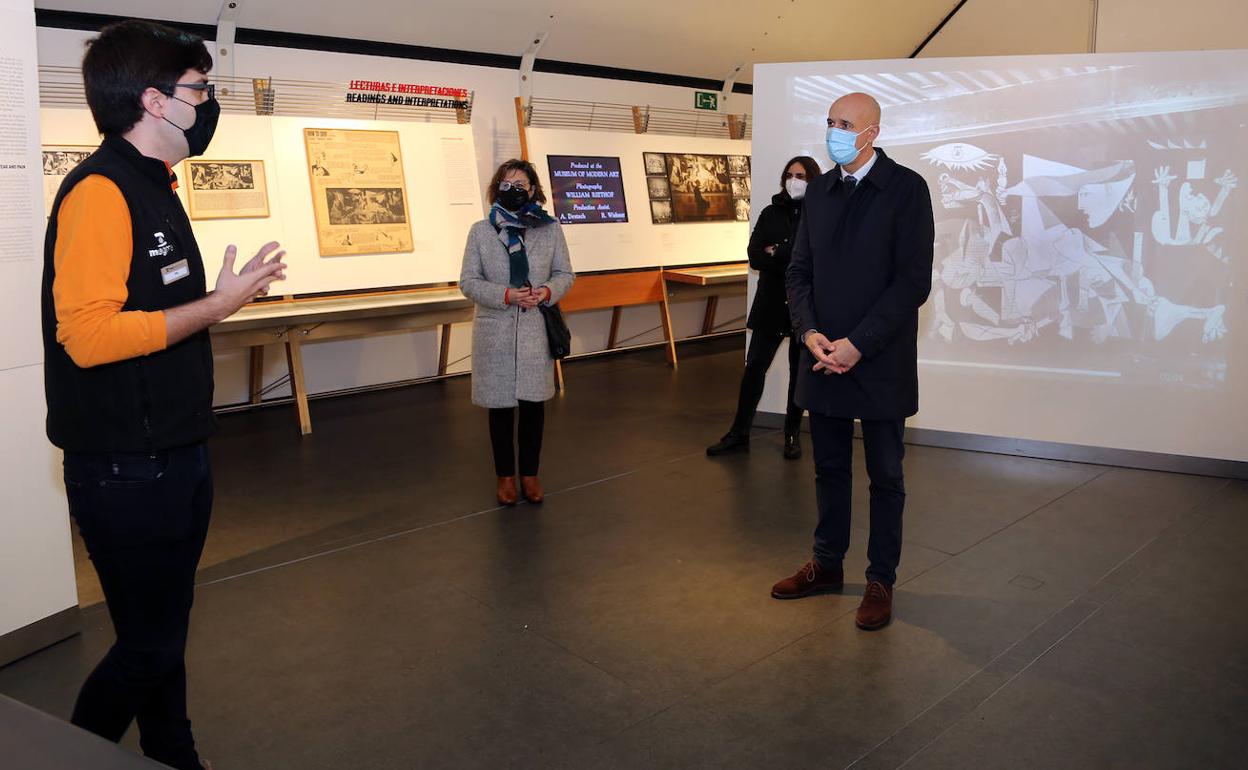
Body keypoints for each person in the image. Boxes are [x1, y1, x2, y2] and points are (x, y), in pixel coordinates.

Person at [40, 20, 286, 770]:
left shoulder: (151, 185)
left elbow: (145, 311)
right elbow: (85, 336)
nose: (208, 103)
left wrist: (211, 300)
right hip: (125, 468)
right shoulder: (100, 194)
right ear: (154, 100)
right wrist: (218, 306)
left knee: (162, 639)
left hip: (171, 453)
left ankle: (172, 756)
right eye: (198, 90)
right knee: (150, 644)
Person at [772, 92, 935, 631]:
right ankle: (826, 564)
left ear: (871, 132)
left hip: (879, 358)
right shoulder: (819, 190)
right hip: (823, 357)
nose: (833, 132)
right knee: (829, 469)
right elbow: (798, 273)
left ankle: (880, 579)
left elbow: (912, 281)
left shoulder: (906, 190)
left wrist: (857, 344)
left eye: (844, 124)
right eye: (829, 122)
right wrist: (811, 332)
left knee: (886, 475)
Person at [460, 160, 575, 506]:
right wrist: (506, 295)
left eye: (521, 184)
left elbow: (565, 274)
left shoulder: (550, 229)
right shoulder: (480, 231)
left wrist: (547, 291)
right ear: (497, 189)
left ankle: (530, 475)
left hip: (533, 332)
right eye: (506, 184)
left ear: (533, 190)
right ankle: (505, 478)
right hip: (495, 333)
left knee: (533, 407)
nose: (513, 190)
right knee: (499, 410)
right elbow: (467, 282)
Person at [707, 155, 823, 460]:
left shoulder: (821, 213)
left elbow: (812, 258)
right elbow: (755, 256)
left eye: (800, 175)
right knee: (754, 368)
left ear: (814, 180)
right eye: (789, 174)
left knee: (799, 373)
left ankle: (792, 434)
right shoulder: (771, 212)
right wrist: (786, 254)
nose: (793, 180)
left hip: (803, 306)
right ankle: (738, 433)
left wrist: (779, 251)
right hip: (770, 302)